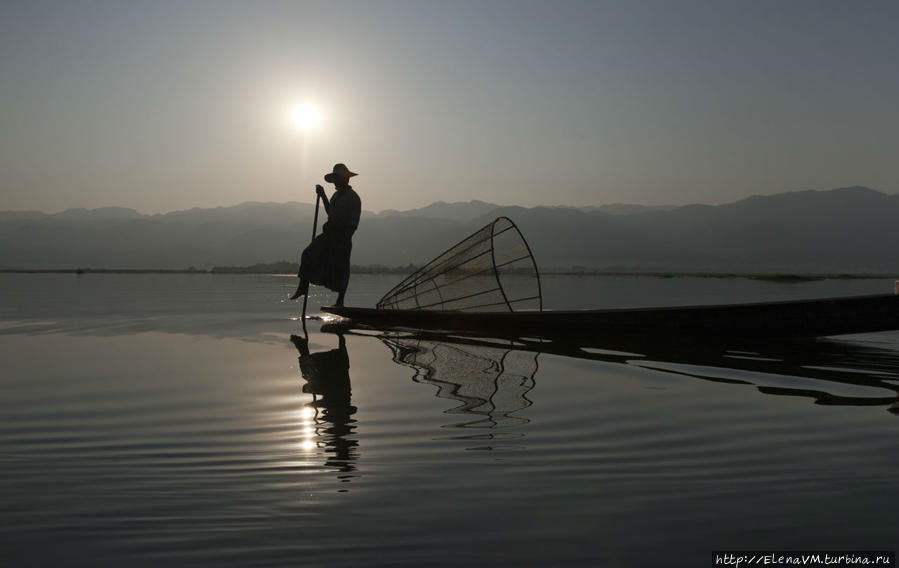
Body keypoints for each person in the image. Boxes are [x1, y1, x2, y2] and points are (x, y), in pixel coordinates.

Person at [291, 163, 361, 306]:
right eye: (334, 179)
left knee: (342, 268)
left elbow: (353, 223)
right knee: (308, 254)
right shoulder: (335, 196)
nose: (335, 182)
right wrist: (323, 196)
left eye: (338, 179)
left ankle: (340, 301)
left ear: (346, 179)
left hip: (343, 236)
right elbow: (331, 213)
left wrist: (344, 239)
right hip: (329, 234)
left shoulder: (353, 198)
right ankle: (303, 286)